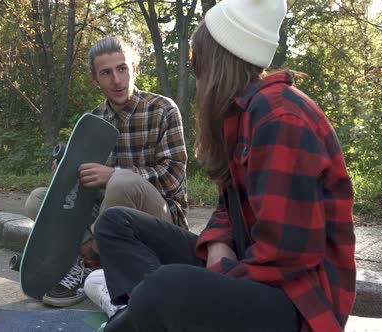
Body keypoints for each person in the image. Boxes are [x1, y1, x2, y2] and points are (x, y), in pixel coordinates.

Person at [92, 0, 356, 331]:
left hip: (296, 302)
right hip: (248, 269)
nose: (199, 81)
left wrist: (214, 276)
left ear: (217, 64)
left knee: (166, 285)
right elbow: (228, 207)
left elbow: (288, 254)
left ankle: (142, 312)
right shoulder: (241, 115)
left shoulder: (280, 118)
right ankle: (146, 313)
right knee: (115, 224)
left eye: (198, 67)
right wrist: (218, 243)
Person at [24, 36, 189, 308]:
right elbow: (88, 187)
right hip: (107, 215)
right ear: (95, 79)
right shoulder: (93, 120)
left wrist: (113, 173)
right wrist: (66, 173)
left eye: (122, 68)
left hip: (160, 219)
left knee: (122, 181)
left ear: (134, 68)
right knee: (38, 200)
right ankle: (91, 255)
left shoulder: (163, 110)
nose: (116, 79)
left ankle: (87, 262)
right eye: (106, 73)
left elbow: (173, 178)